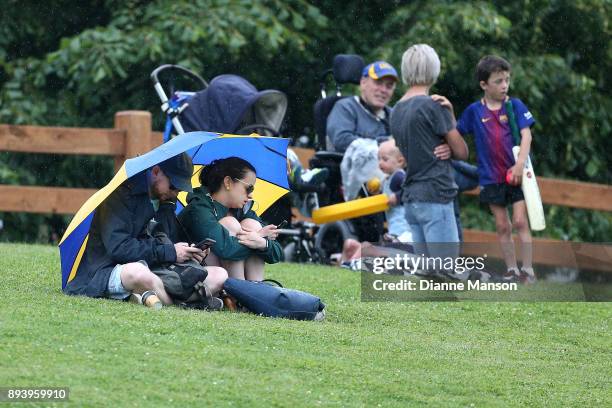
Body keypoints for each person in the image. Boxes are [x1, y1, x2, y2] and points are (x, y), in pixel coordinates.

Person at [63, 153, 228, 308]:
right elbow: (119, 249)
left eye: (179, 188)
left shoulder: (166, 201)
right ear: (156, 171)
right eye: (174, 185)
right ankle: (185, 303)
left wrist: (190, 251)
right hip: (110, 269)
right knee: (138, 272)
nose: (176, 192)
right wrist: (170, 252)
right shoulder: (120, 195)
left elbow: (167, 243)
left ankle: (151, 296)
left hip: (155, 268)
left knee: (219, 275)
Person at [390, 44, 469, 273]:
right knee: (445, 271)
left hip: (412, 198)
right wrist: (450, 118)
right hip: (436, 192)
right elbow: (462, 152)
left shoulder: (396, 110)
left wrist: (444, 145)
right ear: (434, 69)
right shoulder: (434, 105)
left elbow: (413, 148)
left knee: (427, 274)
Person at [456, 55, 535, 282]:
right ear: (484, 85)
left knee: (520, 222)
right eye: (498, 81)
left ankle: (528, 270)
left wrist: (520, 165)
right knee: (502, 226)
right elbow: (455, 133)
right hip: (490, 178)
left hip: (517, 175)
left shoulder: (515, 106)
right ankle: (512, 270)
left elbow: (526, 135)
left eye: (507, 80)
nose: (504, 86)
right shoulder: (473, 111)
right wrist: (445, 109)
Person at [178, 157, 283, 281]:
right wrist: (259, 237)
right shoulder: (198, 207)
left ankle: (256, 288)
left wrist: (263, 243)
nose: (251, 195)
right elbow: (226, 250)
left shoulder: (242, 209)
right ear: (228, 182)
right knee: (230, 223)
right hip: (200, 274)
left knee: (252, 225)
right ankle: (236, 295)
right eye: (249, 188)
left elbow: (277, 253)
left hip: (224, 270)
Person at [326, 61, 398, 153]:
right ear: (363, 83)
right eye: (378, 83)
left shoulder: (395, 116)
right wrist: (384, 143)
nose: (383, 90)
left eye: (389, 86)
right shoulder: (345, 108)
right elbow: (342, 141)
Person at [377, 139, 412, 242]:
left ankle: (398, 239)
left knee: (402, 235)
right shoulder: (388, 178)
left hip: (402, 219)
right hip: (393, 220)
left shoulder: (399, 176)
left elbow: (410, 190)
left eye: (384, 159)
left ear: (400, 161)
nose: (380, 163)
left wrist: (397, 197)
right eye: (378, 159)